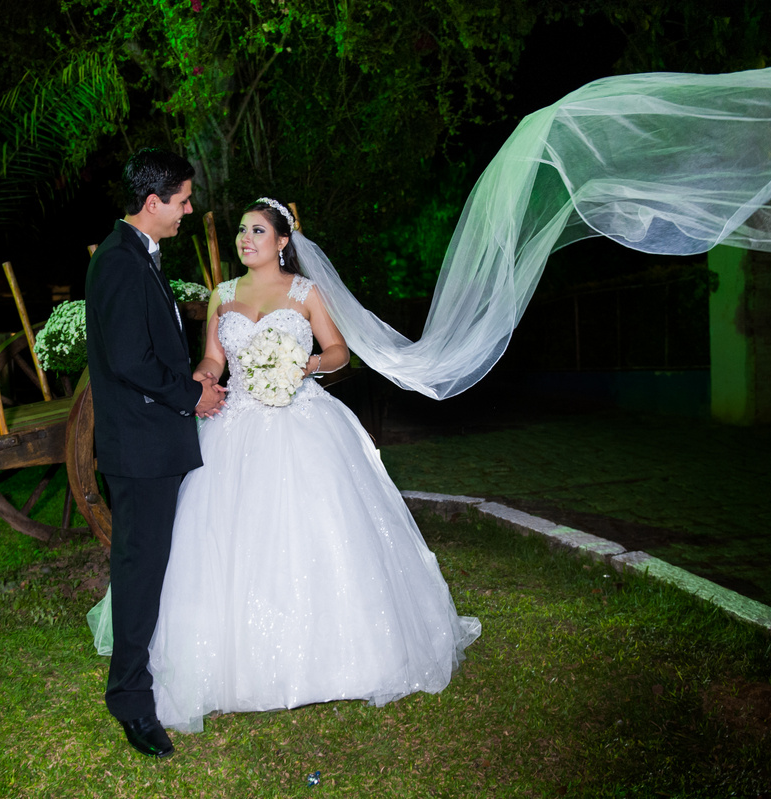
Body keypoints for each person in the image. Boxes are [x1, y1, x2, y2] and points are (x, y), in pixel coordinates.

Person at [89, 197, 481, 733]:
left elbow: (340, 350)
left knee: (316, 531)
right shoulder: (221, 295)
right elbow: (212, 358)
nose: (245, 239)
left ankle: (337, 656)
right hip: (237, 423)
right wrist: (203, 378)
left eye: (257, 231)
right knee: (221, 538)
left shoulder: (305, 292)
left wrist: (309, 363)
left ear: (281, 242)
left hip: (303, 422)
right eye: (241, 231)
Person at [85, 147, 225, 758]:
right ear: (152, 202)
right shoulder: (118, 261)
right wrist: (191, 395)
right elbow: (128, 360)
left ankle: (143, 682)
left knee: (151, 567)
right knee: (139, 572)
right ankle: (131, 704)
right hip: (138, 450)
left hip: (150, 445)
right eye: (183, 200)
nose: (189, 210)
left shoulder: (138, 256)